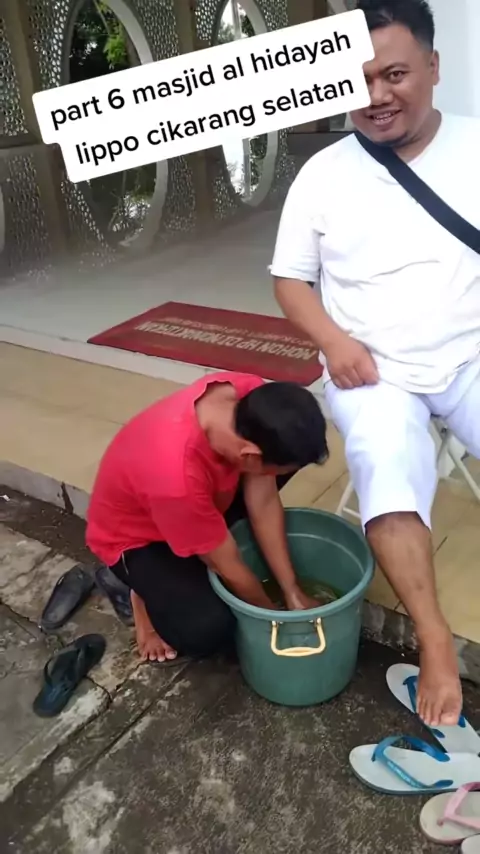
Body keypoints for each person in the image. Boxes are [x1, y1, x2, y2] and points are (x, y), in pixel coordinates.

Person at [271, 0, 480, 729]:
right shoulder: (322, 174)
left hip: (470, 355)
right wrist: (332, 341)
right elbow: (290, 280)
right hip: (372, 372)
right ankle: (434, 639)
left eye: (394, 74)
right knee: (386, 470)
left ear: (433, 67)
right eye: (357, 80)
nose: (376, 95)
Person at [86, 371, 328, 663]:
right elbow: (228, 565)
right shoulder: (175, 478)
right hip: (139, 538)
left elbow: (263, 501)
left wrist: (292, 591)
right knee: (206, 629)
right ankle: (139, 592)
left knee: (287, 455)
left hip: (199, 502)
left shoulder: (251, 397)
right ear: (249, 455)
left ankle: (193, 549)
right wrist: (274, 619)